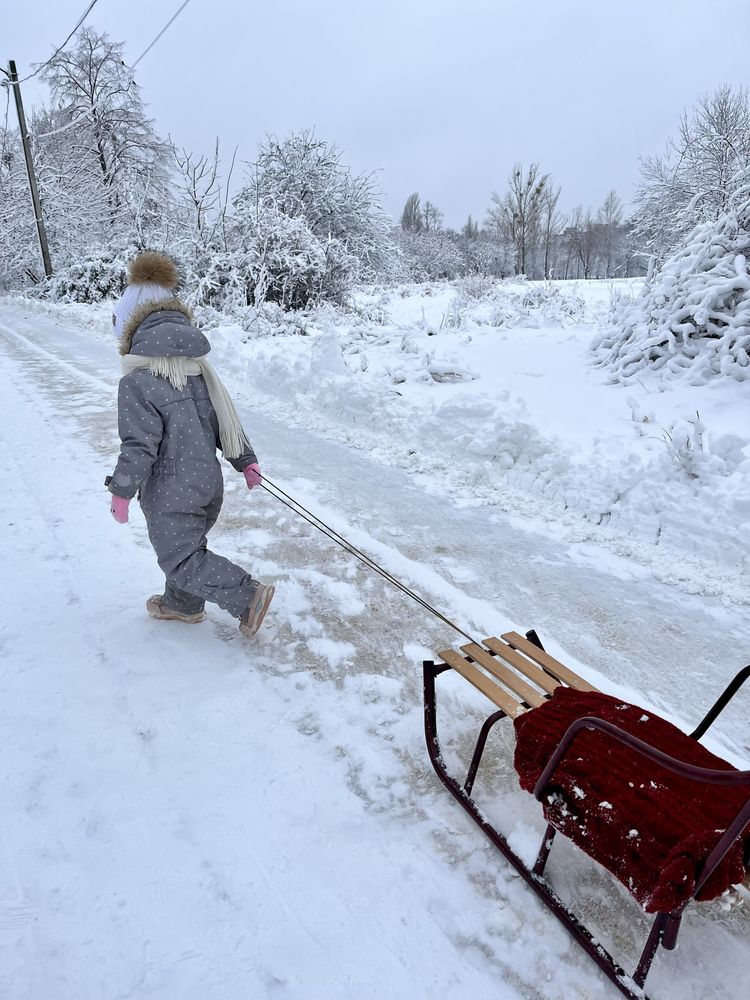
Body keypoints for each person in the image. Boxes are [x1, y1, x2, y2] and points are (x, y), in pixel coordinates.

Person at [107, 250, 275, 638]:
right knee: (186, 547)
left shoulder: (136, 381)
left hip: (170, 489)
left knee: (181, 557)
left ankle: (246, 595)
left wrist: (121, 491)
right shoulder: (198, 371)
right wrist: (244, 460)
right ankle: (181, 605)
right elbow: (223, 419)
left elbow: (139, 446)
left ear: (132, 329)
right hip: (207, 485)